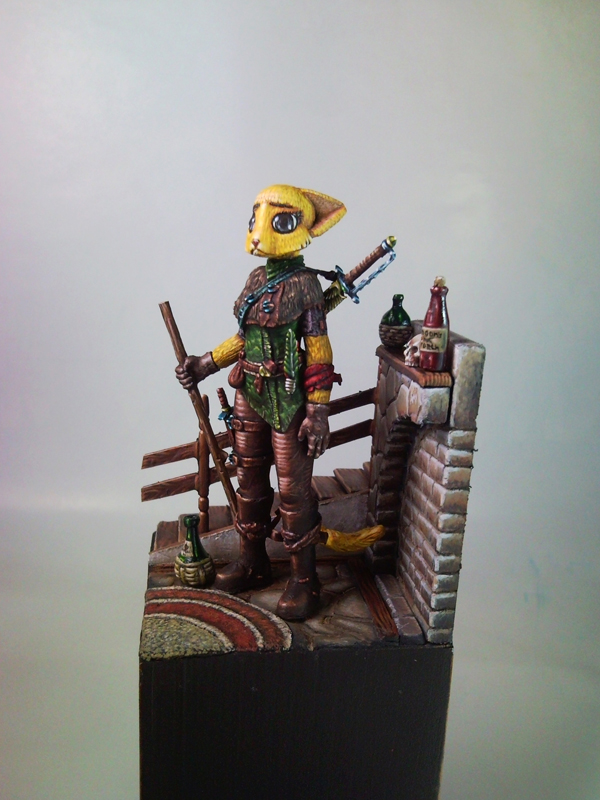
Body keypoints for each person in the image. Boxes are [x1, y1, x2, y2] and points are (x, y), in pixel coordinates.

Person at [176, 184, 345, 620]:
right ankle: (253, 563)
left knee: (293, 490)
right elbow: (244, 339)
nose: (259, 230)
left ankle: (304, 580)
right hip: (249, 392)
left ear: (302, 228)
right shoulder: (256, 279)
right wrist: (205, 364)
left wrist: (318, 410)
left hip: (288, 400)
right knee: (249, 479)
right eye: (257, 218)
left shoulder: (307, 286)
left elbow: (319, 351)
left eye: (279, 220)